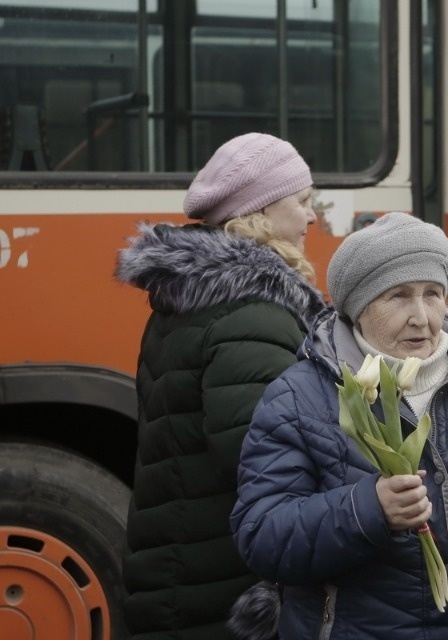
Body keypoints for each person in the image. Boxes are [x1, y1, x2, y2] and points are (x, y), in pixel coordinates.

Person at [229, 212, 448, 639]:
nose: (421, 315)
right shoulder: (299, 397)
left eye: (433, 294)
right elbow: (262, 537)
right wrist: (367, 510)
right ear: (359, 308)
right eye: (399, 296)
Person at [116, 132, 327, 640]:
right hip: (225, 589)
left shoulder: (194, 299)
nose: (313, 216)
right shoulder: (252, 312)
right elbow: (264, 453)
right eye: (302, 201)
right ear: (260, 214)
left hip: (183, 570)